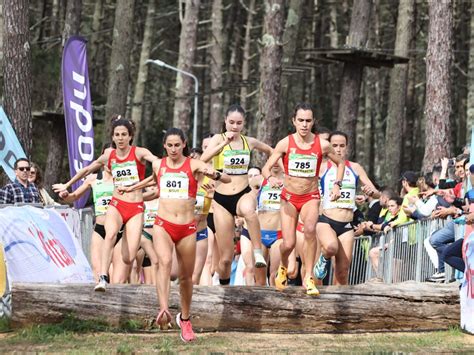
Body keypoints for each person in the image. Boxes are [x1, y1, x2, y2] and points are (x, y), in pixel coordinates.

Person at [120, 128, 229, 342]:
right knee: (164, 261)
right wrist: (132, 187)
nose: (173, 149)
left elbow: (221, 177)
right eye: (169, 145)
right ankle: (163, 309)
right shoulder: (159, 164)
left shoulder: (194, 165)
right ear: (164, 146)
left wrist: (216, 175)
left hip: (187, 226)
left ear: (184, 144)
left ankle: (185, 319)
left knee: (186, 277)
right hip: (163, 224)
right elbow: (153, 180)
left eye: (177, 145)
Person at [53, 115, 158, 291]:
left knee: (129, 256)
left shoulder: (139, 152)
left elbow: (155, 162)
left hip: (135, 208)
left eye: (124, 134)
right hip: (117, 204)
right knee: (109, 234)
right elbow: (87, 169)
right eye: (117, 134)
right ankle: (102, 277)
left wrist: (154, 169)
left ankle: (122, 257)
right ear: (112, 137)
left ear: (130, 136)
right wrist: (67, 184)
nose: (120, 138)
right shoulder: (109, 154)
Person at [262, 103, 344, 295]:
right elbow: (266, 167)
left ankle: (308, 276)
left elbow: (340, 164)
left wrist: (336, 184)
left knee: (309, 230)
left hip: (311, 196)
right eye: (301, 120)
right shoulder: (285, 143)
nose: (304, 124)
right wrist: (271, 178)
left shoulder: (322, 145)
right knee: (289, 243)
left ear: (313, 122)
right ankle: (283, 266)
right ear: (294, 121)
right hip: (289, 198)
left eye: (308, 120)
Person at [200, 104, 273, 285]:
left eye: (239, 123)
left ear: (244, 124)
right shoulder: (218, 138)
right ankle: (224, 286)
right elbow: (203, 159)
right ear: (225, 121)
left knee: (249, 210)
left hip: (242, 192)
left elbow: (272, 151)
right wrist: (224, 142)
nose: (234, 126)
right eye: (231, 122)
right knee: (225, 259)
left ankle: (257, 252)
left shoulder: (249, 141)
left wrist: (269, 173)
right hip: (221, 198)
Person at [314, 131, 380, 285]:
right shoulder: (323, 167)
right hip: (326, 220)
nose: (338, 149)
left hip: (346, 225)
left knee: (343, 272)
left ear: (347, 147)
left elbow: (377, 195)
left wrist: (371, 192)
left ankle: (337, 306)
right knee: (330, 248)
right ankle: (323, 258)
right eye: (334, 145)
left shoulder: (355, 168)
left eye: (342, 146)